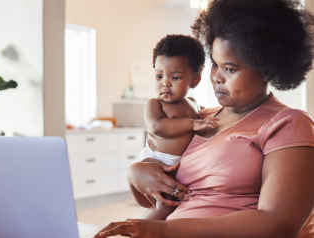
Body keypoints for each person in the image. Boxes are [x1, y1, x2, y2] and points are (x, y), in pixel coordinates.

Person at [94, 0, 314, 237]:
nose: (216, 78)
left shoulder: (289, 124)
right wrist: (136, 172)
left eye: (230, 69)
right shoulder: (198, 117)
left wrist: (166, 230)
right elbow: (154, 201)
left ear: (266, 69)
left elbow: (278, 224)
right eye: (215, 65)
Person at [135, 34, 219, 220]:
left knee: (177, 206)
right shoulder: (155, 104)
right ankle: (141, 228)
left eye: (175, 77)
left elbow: (202, 125)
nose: (165, 82)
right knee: (163, 206)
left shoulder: (194, 104)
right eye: (159, 76)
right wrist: (193, 124)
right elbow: (158, 127)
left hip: (178, 165)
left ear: (194, 80)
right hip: (156, 161)